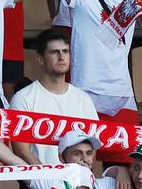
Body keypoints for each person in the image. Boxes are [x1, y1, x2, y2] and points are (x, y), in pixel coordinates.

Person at [9, 29, 98, 165]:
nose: (61, 57)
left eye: (65, 51)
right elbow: (21, 150)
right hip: (37, 182)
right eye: (54, 52)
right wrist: (48, 180)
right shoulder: (23, 98)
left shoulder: (83, 98)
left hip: (77, 182)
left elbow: (92, 147)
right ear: (40, 59)